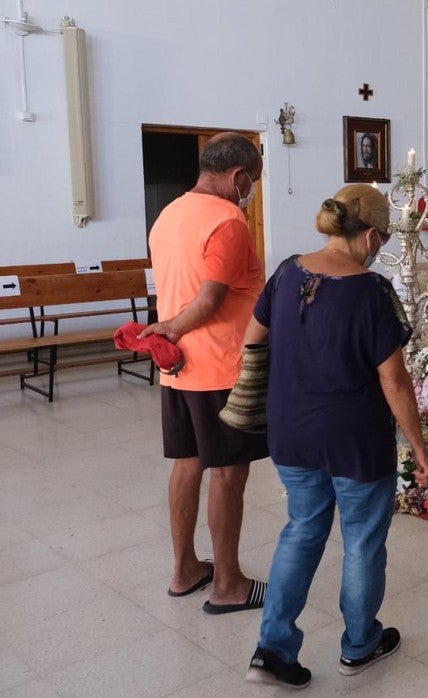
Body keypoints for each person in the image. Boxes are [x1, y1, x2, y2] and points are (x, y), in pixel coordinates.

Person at [244, 184, 428, 688]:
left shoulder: (287, 271)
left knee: (302, 530)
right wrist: (419, 446)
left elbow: (253, 338)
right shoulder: (372, 292)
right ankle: (359, 643)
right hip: (355, 440)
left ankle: (272, 650)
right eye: (384, 239)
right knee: (363, 542)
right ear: (372, 234)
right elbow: (393, 380)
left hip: (290, 432)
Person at [142, 131, 269, 614]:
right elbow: (211, 299)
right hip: (222, 369)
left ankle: (186, 570)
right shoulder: (227, 220)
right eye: (250, 182)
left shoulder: (168, 215)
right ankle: (229, 585)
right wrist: (171, 328)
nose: (249, 191)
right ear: (237, 177)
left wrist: (170, 336)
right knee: (229, 474)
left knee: (188, 464)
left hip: (177, 370)